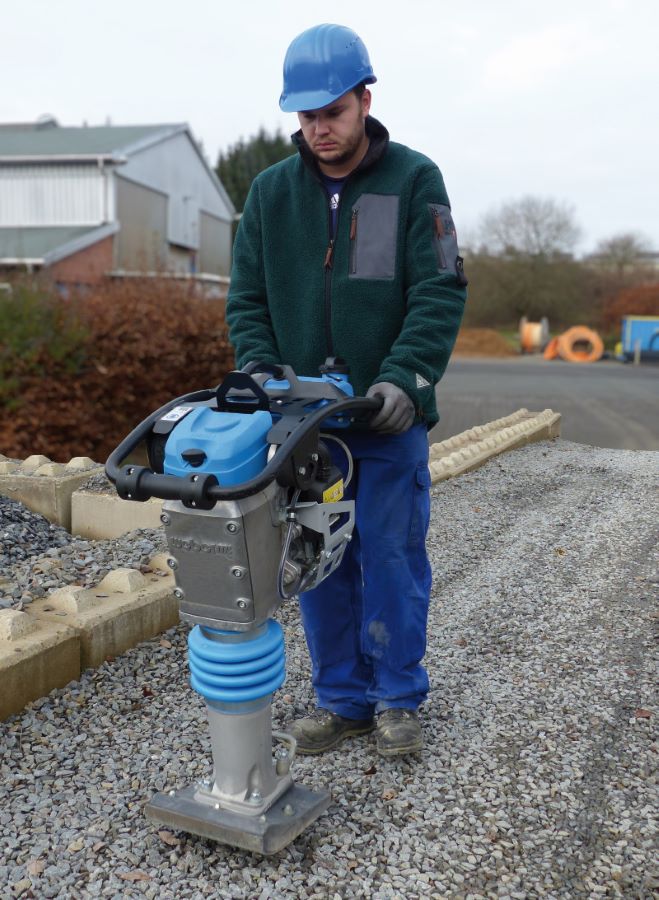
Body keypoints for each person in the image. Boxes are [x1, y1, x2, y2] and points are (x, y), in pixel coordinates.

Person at [226, 23, 467, 757]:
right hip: (308, 430)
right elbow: (247, 301)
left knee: (391, 559)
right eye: (306, 116)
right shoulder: (270, 193)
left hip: (386, 423)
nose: (319, 129)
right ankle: (341, 700)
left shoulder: (415, 180)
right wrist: (261, 368)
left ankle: (396, 697)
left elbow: (439, 289)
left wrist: (406, 377)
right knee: (319, 564)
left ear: (365, 99)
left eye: (332, 112)